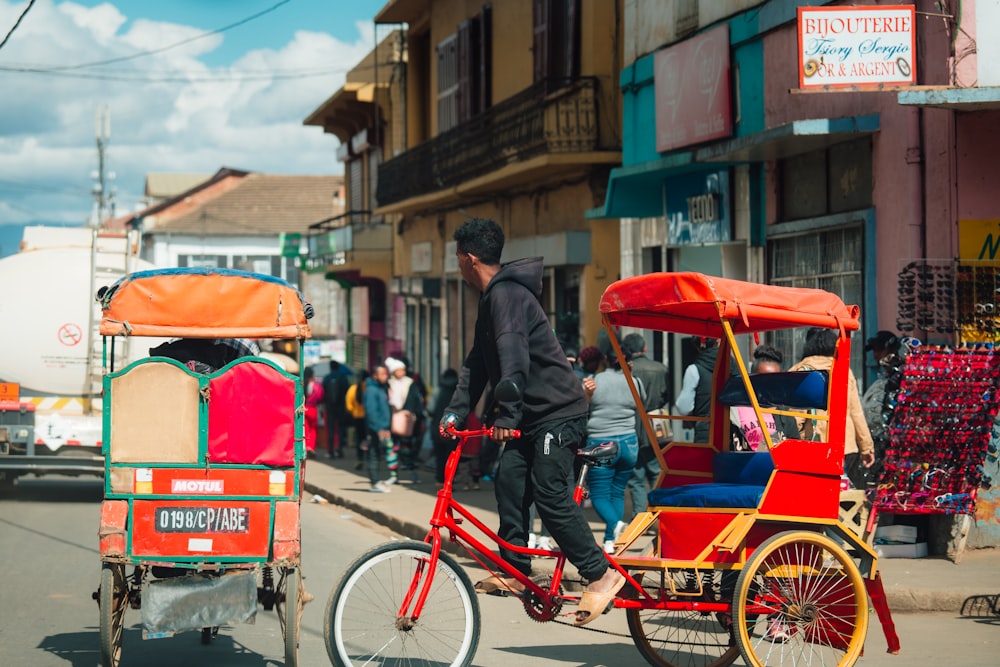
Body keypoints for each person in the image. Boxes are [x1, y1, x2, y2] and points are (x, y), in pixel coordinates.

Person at [439, 217, 624, 627]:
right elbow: (477, 364)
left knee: (550, 493)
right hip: (532, 415)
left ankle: (601, 573)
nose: (459, 267)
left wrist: (506, 413)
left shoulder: (505, 295)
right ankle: (517, 571)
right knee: (509, 481)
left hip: (558, 412)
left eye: (458, 260)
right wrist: (455, 410)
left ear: (469, 259)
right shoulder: (492, 298)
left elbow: (514, 359)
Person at [788, 327, 875, 490]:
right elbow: (856, 412)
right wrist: (867, 447)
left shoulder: (798, 371)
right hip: (843, 444)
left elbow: (795, 414)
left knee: (813, 489)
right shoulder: (844, 372)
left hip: (811, 445)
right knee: (839, 488)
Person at [582, 347, 644, 553]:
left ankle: (615, 525)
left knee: (599, 494)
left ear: (606, 360)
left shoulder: (593, 381)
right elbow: (643, 403)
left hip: (602, 443)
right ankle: (611, 540)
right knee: (617, 492)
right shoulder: (634, 381)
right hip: (629, 443)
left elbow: (583, 407)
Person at [621, 332, 667, 521]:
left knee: (636, 475)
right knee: (657, 470)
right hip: (656, 422)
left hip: (632, 423)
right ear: (644, 348)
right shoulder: (660, 368)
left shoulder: (628, 369)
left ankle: (639, 517)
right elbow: (666, 396)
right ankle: (659, 513)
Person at [729, 344, 799, 451]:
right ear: (752, 378)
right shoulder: (735, 409)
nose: (770, 385)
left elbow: (794, 451)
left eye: (775, 380)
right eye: (764, 379)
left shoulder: (785, 416)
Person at [675, 336, 721, 443]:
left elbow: (683, 407)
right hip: (731, 431)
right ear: (718, 341)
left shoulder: (694, 370)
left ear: (696, 345)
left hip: (706, 432)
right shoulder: (733, 365)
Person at [386, 356, 424, 484]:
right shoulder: (388, 384)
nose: (401, 372)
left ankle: (412, 474)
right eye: (398, 370)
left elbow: (416, 400)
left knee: (407, 448)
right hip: (391, 421)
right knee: (391, 449)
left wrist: (415, 414)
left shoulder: (411, 383)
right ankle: (393, 474)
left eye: (403, 370)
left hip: (407, 422)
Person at [363, 364, 394, 493]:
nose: (385, 376)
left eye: (386, 374)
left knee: (377, 454)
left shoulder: (381, 388)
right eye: (382, 374)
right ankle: (374, 482)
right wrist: (379, 428)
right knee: (373, 455)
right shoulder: (371, 390)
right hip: (375, 428)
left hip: (381, 427)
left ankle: (376, 481)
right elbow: (371, 412)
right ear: (375, 376)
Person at [428, 368, 460, 486]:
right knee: (451, 456)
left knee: (440, 456)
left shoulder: (437, 390)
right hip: (455, 429)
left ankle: (440, 479)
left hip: (439, 427)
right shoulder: (458, 392)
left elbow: (430, 409)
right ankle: (450, 480)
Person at [322, 361, 351, 458]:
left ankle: (330, 451)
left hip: (329, 406)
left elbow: (323, 392)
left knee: (330, 428)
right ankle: (339, 449)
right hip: (341, 406)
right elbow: (347, 390)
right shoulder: (343, 377)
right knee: (340, 428)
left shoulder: (327, 378)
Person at [344, 369, 369, 470]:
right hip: (368, 417)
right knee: (369, 437)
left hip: (357, 417)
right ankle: (370, 458)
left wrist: (354, 412)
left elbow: (349, 406)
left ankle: (360, 458)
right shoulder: (370, 388)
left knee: (360, 438)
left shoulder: (353, 389)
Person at [303, 367, 324, 457]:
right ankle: (310, 447)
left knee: (305, 429)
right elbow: (320, 397)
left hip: (303, 408)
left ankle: (305, 446)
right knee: (313, 429)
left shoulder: (302, 383)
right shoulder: (316, 385)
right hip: (312, 409)